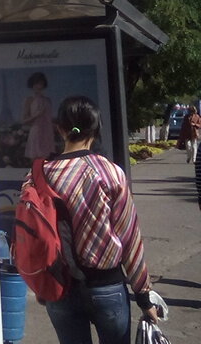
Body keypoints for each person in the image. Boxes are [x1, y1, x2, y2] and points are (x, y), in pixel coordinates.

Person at [36, 95, 159, 344]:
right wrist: (144, 296)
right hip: (107, 288)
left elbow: (34, 234)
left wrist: (41, 283)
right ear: (96, 129)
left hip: (59, 287)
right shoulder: (110, 173)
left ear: (60, 129)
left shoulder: (39, 175)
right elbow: (129, 237)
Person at [21, 71, 55, 160]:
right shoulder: (29, 100)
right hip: (36, 131)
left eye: (40, 84)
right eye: (36, 84)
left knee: (47, 159)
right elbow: (24, 120)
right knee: (36, 159)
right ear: (32, 85)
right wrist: (36, 115)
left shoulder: (48, 100)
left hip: (47, 132)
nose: (39, 86)